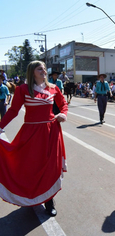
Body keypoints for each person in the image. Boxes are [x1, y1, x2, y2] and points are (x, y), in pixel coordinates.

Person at [0, 60, 68, 216]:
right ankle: (30, 197)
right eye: (40, 68)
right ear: (32, 72)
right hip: (31, 134)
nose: (43, 70)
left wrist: (63, 114)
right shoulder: (23, 89)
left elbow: (63, 104)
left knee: (50, 168)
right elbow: (13, 111)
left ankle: (49, 200)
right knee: (30, 166)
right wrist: (0, 126)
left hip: (51, 132)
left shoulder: (53, 88)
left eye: (44, 68)